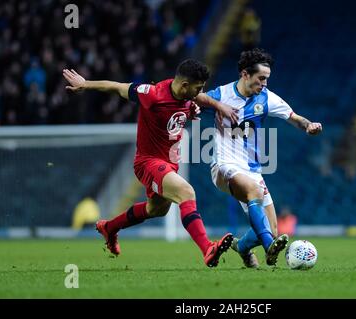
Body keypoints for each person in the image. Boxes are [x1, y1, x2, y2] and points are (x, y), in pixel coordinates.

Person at [62, 59, 239, 267]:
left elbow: (196, 100)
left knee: (156, 210)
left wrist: (216, 106)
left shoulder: (185, 96)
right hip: (148, 162)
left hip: (168, 163)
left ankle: (109, 228)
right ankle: (208, 248)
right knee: (186, 192)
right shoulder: (152, 94)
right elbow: (118, 87)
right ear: (184, 85)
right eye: (198, 88)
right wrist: (86, 84)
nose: (200, 93)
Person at [207, 48, 322, 268]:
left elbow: (293, 117)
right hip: (224, 166)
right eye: (261, 78)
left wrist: (308, 125)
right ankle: (270, 246)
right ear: (244, 74)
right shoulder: (222, 94)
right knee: (256, 195)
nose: (264, 84)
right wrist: (216, 105)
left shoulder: (266, 98)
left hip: (252, 169)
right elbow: (196, 97)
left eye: (267, 79)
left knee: (271, 227)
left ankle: (241, 247)